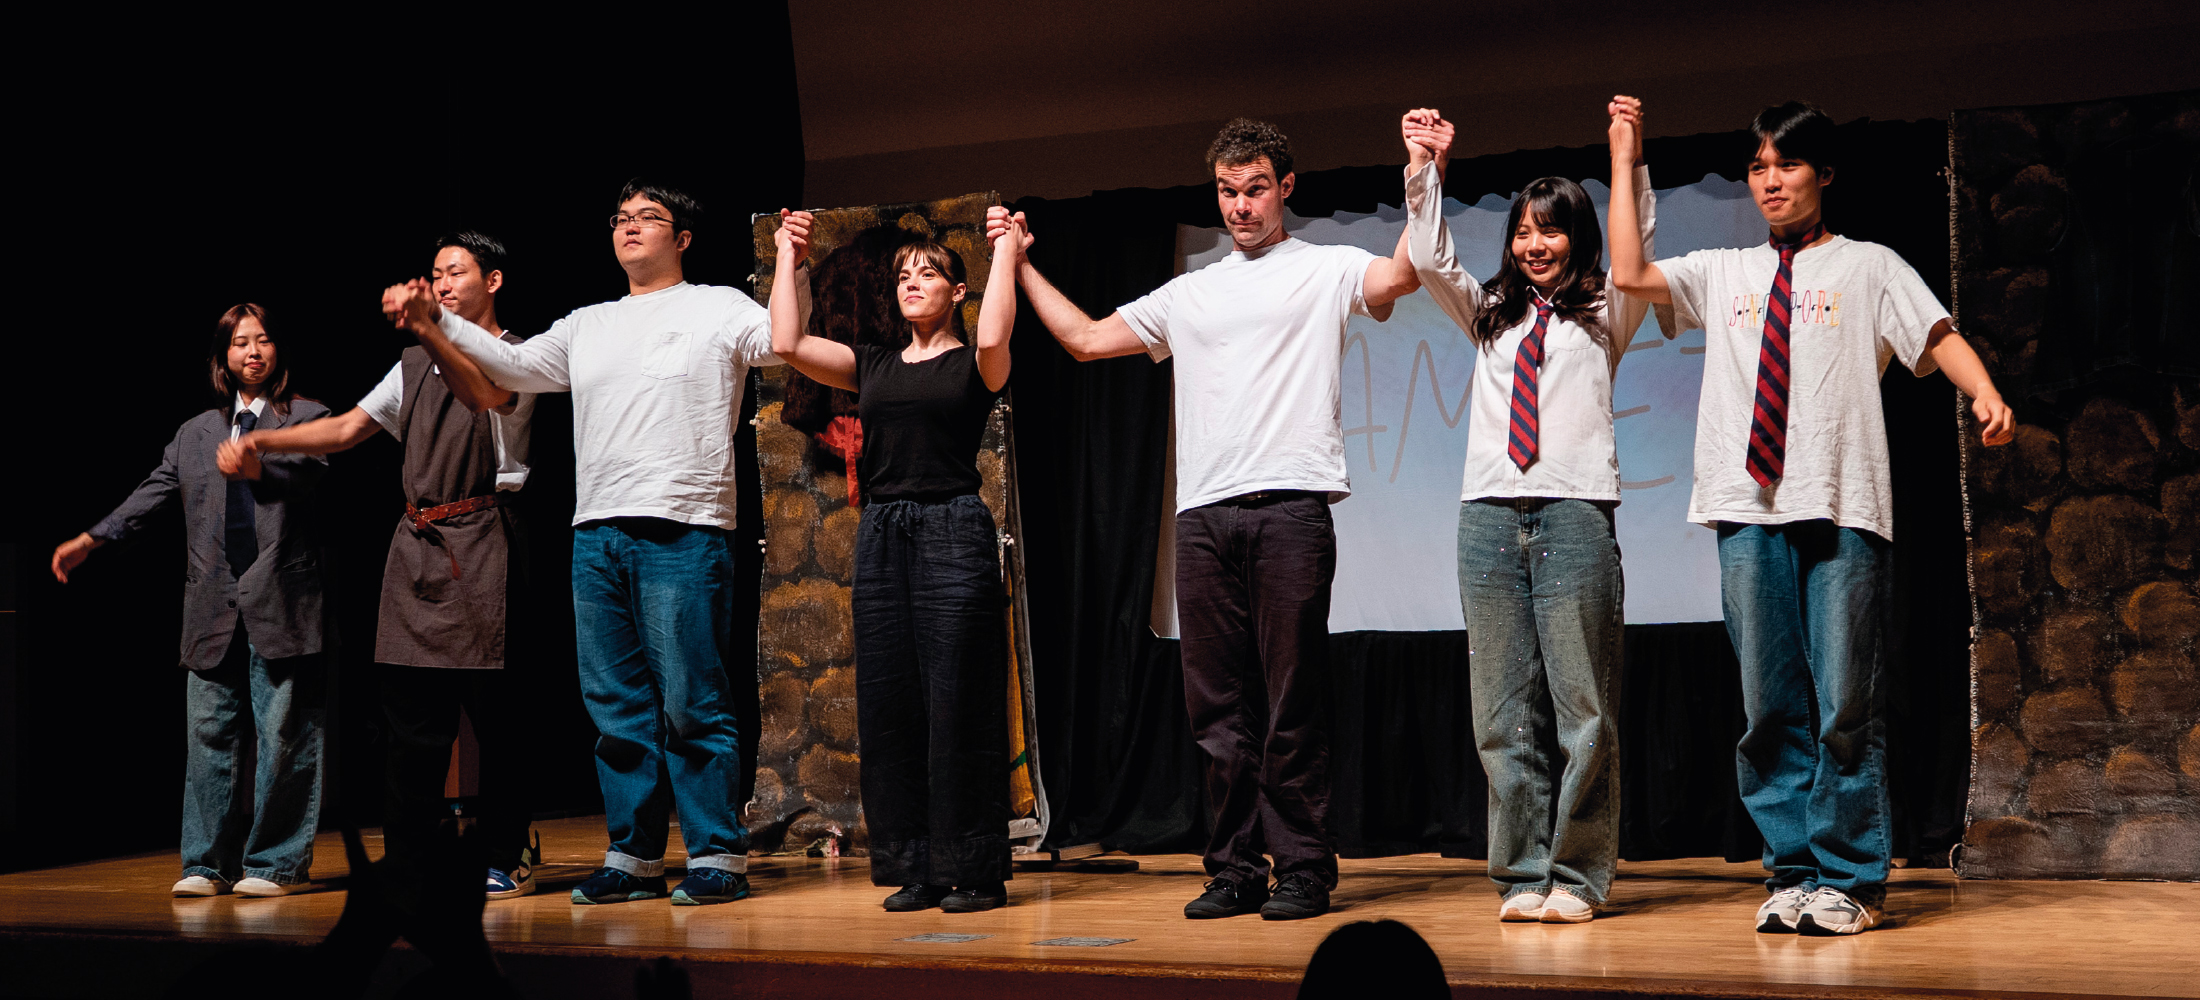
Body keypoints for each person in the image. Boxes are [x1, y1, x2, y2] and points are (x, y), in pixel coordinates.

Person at [988, 117, 1421, 920]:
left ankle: (1303, 867)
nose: (1240, 206)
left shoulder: (1324, 268)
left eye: (1255, 189)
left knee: (1290, 703)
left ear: (1285, 188)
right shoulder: (1190, 292)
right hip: (1204, 519)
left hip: (1289, 507)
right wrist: (1018, 263)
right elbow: (1086, 340)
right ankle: (1234, 868)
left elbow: (1400, 277)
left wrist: (1422, 173)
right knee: (1218, 712)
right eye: (1227, 191)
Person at [1606, 98, 2015, 935]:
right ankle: (1792, 872)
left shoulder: (1868, 265)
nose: (1770, 181)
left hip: (1840, 505)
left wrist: (1984, 392)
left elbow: (1935, 333)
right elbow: (1630, 273)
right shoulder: (1723, 271)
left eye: (1786, 164)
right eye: (1757, 167)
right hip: (1744, 509)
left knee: (1844, 706)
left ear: (1823, 173)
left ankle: (1852, 880)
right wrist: (1625, 158)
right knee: (1768, 708)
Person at [386, 180, 803, 906]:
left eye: (649, 218)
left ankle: (716, 854)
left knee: (692, 703)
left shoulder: (717, 306)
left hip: (684, 525)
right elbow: (511, 368)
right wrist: (437, 322)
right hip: (597, 531)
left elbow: (780, 344)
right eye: (620, 218)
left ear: (682, 239)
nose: (630, 227)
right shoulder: (587, 323)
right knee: (615, 707)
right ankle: (633, 856)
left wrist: (790, 259)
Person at [221, 231, 542, 899]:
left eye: (456, 272)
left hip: (485, 541)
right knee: (411, 725)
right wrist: (264, 442)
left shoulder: (520, 355)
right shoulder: (413, 363)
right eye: (435, 274)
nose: (443, 283)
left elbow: (481, 394)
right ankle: (412, 858)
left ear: (494, 281)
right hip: (416, 546)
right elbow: (346, 429)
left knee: (497, 720)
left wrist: (428, 329)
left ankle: (506, 850)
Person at [1399, 98, 1656, 923]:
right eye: (1521, 233)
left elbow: (1638, 245)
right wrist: (1426, 169)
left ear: (1577, 236)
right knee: (1502, 713)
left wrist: (1626, 157)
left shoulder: (1607, 311)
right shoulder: (1490, 315)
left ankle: (1577, 878)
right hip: (1487, 518)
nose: (1533, 245)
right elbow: (1431, 257)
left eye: (1550, 231)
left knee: (1585, 710)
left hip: (1574, 516)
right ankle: (1521, 875)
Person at [765, 208, 1024, 912]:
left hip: (951, 527)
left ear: (957, 292)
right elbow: (787, 341)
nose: (911, 282)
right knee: (892, 702)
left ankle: (974, 868)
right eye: (904, 274)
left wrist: (1005, 250)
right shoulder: (872, 363)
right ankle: (917, 865)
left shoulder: (976, 362)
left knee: (958, 700)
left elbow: (995, 333)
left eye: (928, 273)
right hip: (884, 531)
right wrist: (789, 255)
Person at [52, 304, 331, 898]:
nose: (252, 352)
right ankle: (206, 864)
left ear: (278, 350)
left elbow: (308, 476)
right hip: (211, 604)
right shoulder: (196, 432)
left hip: (281, 597)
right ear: (223, 357)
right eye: (240, 342)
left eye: (263, 340)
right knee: (208, 738)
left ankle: (275, 865)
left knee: (286, 735)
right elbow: (152, 493)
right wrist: (92, 538)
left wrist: (256, 467)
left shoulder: (307, 416)